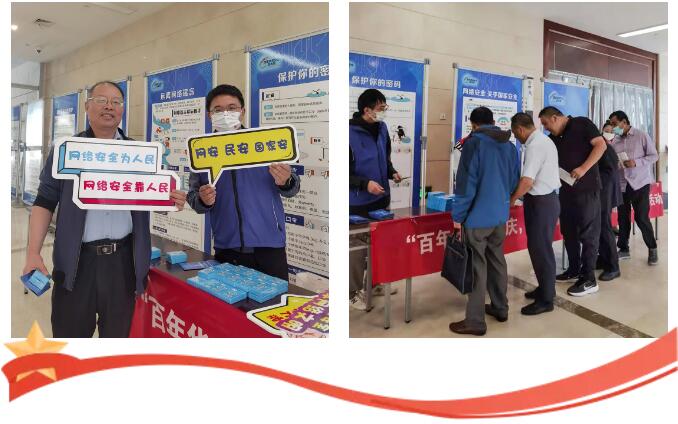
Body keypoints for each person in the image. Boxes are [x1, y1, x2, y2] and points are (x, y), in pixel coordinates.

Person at [23, 81, 187, 338]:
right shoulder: (67, 150)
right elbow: (44, 201)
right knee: (70, 339)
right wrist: (33, 253)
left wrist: (171, 197)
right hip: (77, 263)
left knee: (116, 340)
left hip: (123, 263)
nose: (109, 107)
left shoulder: (140, 154)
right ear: (87, 106)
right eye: (101, 100)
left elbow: (153, 193)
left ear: (122, 110)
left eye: (116, 102)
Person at [186, 84, 300, 281]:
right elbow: (193, 198)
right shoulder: (201, 151)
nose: (225, 114)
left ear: (242, 111)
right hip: (226, 247)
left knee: (275, 300)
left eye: (232, 108)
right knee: (229, 301)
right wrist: (203, 200)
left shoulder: (264, 143)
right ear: (209, 115)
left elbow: (293, 187)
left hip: (269, 246)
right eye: (218, 110)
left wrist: (286, 180)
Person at [449, 106, 520, 336]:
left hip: (477, 219)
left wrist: (458, 216)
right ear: (493, 121)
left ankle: (475, 321)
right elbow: (513, 181)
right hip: (500, 216)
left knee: (477, 267)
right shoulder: (509, 146)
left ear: (473, 124)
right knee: (497, 260)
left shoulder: (473, 144)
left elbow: (465, 186)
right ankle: (500, 307)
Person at [539, 107, 606, 297]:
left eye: (546, 123)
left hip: (587, 190)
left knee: (588, 234)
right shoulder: (553, 139)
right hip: (566, 191)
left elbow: (601, 145)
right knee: (568, 232)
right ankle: (574, 269)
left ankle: (589, 279)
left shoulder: (581, 124)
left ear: (555, 118)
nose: (545, 128)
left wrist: (583, 168)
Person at [348, 89, 402, 310]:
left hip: (381, 200)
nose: (384, 111)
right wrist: (365, 184)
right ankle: (351, 292)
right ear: (366, 110)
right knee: (356, 251)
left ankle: (374, 283)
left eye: (385, 107)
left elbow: (385, 158)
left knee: (379, 246)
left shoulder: (382, 128)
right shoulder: (347, 133)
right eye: (381, 108)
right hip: (358, 204)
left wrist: (392, 172)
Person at [509, 113, 560, 315]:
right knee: (539, 248)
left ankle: (546, 300)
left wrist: (512, 199)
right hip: (545, 201)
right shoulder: (543, 141)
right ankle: (545, 288)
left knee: (541, 250)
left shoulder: (535, 145)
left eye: (516, 134)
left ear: (520, 129)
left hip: (541, 203)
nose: (517, 138)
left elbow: (527, 181)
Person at [608, 110, 659, 265]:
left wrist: (636, 162)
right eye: (611, 124)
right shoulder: (615, 141)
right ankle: (623, 248)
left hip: (640, 183)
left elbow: (654, 156)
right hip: (622, 184)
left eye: (615, 124)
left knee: (641, 218)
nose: (613, 127)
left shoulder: (641, 135)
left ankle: (652, 248)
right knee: (622, 218)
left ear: (624, 122)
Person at [596, 121, 623, 281]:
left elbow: (609, 174)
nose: (608, 133)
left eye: (611, 131)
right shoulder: (601, 146)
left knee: (605, 228)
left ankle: (613, 267)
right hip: (601, 193)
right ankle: (603, 259)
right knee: (599, 228)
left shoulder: (607, 149)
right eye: (606, 130)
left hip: (605, 194)